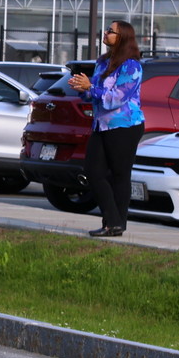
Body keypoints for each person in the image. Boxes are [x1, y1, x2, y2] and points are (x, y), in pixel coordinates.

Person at [68, 20, 145, 237]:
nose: (106, 33)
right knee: (93, 172)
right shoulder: (102, 62)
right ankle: (113, 221)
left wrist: (91, 87)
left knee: (120, 174)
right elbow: (95, 94)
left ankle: (114, 224)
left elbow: (117, 98)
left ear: (122, 37)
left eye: (111, 31)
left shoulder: (131, 66)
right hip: (102, 124)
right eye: (107, 30)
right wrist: (82, 88)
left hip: (125, 126)